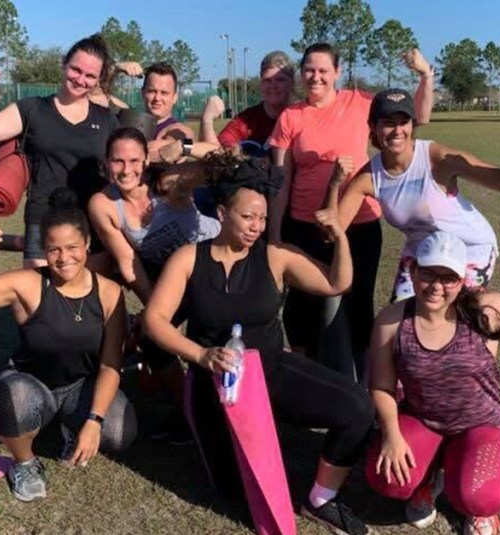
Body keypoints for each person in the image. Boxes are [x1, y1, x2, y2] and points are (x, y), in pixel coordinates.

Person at [143, 157, 377, 535]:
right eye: (247, 217)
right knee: (232, 492)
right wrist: (201, 355)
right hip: (217, 388)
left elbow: (337, 283)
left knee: (359, 407)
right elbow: (154, 320)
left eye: (263, 219)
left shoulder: (274, 256)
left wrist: (341, 237)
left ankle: (320, 498)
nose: (257, 227)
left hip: (270, 370)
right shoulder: (189, 258)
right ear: (222, 213)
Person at [365, 231, 500, 535]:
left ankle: (480, 509)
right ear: (413, 270)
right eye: (428, 274)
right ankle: (428, 477)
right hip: (424, 420)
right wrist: (391, 434)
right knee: (387, 479)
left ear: (462, 280)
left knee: (477, 496)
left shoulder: (484, 311)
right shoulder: (393, 320)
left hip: (483, 423)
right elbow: (382, 385)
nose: (436, 286)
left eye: (448, 278)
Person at [0, 188, 136, 502]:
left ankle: (73, 426)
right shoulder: (27, 284)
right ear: (44, 249)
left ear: (87, 245)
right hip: (33, 384)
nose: (64, 258)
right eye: (54, 249)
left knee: (119, 432)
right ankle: (25, 463)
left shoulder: (110, 293)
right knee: (11, 401)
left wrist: (94, 421)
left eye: (72, 247)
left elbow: (111, 364)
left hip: (80, 387)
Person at [268, 43, 434, 379]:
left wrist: (425, 75)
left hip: (358, 224)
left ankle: (364, 381)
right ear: (302, 74)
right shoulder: (291, 116)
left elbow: (421, 116)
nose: (316, 77)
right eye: (309, 70)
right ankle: (307, 378)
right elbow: (282, 181)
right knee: (303, 306)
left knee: (358, 304)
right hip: (305, 225)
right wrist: (275, 234)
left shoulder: (360, 104)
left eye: (323, 70)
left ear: (337, 73)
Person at [325, 88, 500, 299]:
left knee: (461, 317)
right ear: (373, 126)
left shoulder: (437, 158)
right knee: (400, 319)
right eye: (388, 122)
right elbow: (332, 232)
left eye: (404, 121)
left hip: (470, 247)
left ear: (412, 125)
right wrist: (334, 184)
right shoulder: (369, 177)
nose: (397, 130)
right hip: (421, 250)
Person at [87, 126, 221, 443]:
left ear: (146, 160)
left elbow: (227, 163)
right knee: (152, 336)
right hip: (171, 279)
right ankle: (187, 411)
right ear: (106, 163)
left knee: (210, 329)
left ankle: (223, 406)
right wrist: (156, 313)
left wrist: (185, 148)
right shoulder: (102, 204)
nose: (126, 169)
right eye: (117, 161)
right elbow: (128, 262)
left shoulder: (168, 181)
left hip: (211, 261)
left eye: (134, 160)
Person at [0, 35, 118, 267]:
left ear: (98, 80)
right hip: (43, 218)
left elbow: (132, 156)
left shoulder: (105, 119)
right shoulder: (32, 109)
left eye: (90, 76)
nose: (80, 80)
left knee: (89, 298)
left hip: (91, 221)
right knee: (39, 298)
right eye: (76, 69)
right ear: (63, 63)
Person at [198, 50, 296, 156]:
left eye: (280, 80)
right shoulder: (245, 120)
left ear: (292, 82)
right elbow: (217, 154)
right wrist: (206, 120)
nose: (273, 86)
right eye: (267, 80)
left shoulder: (302, 116)